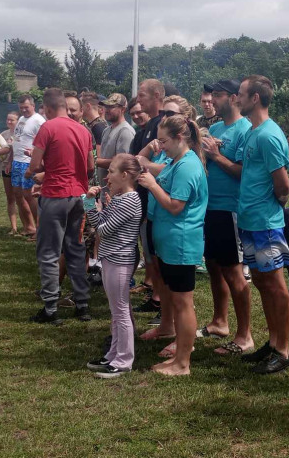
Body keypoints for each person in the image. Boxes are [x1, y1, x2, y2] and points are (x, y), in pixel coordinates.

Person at [137, 114, 209, 376]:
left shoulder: (188, 165)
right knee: (178, 302)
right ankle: (178, 357)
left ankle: (183, 363)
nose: (161, 146)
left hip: (181, 241)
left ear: (180, 138)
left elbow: (176, 206)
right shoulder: (175, 160)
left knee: (183, 303)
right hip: (170, 241)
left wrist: (153, 185)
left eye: (164, 141)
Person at [236, 75, 289, 374]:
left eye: (241, 94)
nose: (237, 98)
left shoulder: (270, 135)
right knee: (260, 281)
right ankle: (272, 343)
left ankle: (283, 350)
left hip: (265, 223)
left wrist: (272, 209)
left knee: (274, 284)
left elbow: (282, 186)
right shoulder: (253, 132)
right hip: (249, 220)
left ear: (255, 98)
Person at [27, 88, 95, 326]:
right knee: (76, 249)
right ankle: (82, 304)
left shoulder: (48, 127)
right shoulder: (84, 130)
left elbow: (35, 165)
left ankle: (50, 307)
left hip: (55, 195)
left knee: (48, 252)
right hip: (79, 196)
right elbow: (90, 167)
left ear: (46, 108)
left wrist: (36, 172)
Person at [199, 78, 255, 356]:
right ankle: (220, 321)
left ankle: (245, 336)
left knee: (234, 272)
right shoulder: (215, 128)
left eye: (218, 95)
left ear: (233, 98)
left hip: (231, 209)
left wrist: (216, 155)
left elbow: (243, 172)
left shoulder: (245, 130)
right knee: (213, 266)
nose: (212, 101)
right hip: (209, 207)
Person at [84, 154, 144, 379]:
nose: (107, 176)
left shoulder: (129, 200)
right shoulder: (119, 199)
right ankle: (113, 355)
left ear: (125, 175)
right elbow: (99, 224)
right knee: (117, 310)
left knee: (120, 311)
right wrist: (91, 203)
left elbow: (102, 230)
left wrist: (94, 206)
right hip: (111, 258)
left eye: (111, 171)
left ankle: (124, 360)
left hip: (119, 259)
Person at [129, 79, 166, 316]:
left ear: (156, 95)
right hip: (146, 197)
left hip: (158, 198)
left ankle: (160, 300)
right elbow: (137, 159)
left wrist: (145, 164)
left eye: (142, 95)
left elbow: (163, 165)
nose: (138, 99)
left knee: (158, 252)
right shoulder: (148, 126)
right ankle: (155, 292)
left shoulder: (162, 124)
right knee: (149, 248)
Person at [11, 95, 46, 238]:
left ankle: (41, 229)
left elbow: (44, 144)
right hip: (16, 161)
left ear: (33, 106)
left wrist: (35, 165)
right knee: (19, 195)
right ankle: (29, 226)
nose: (24, 110)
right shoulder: (21, 119)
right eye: (21, 108)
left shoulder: (39, 121)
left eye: (26, 107)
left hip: (29, 162)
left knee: (29, 195)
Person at [96, 94, 136, 201]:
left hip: (117, 197)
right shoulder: (107, 130)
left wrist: (95, 161)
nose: (107, 110)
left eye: (112, 107)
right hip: (105, 193)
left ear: (123, 109)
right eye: (106, 107)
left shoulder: (125, 131)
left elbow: (123, 164)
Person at [0, 111, 20, 235]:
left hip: (18, 167)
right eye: (8, 119)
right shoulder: (3, 134)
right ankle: (14, 227)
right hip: (6, 169)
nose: (9, 122)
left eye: (12, 120)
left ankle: (30, 226)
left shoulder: (20, 134)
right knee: (10, 197)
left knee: (21, 197)